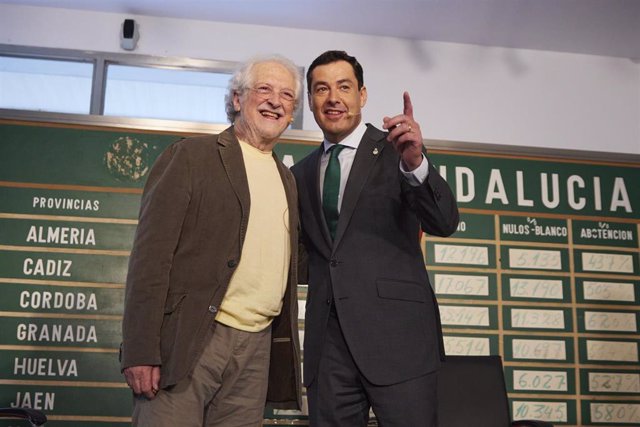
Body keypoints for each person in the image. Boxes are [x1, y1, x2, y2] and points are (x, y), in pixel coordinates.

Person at [120, 55, 303, 426]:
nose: (275, 101)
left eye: (287, 95)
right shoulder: (190, 156)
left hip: (256, 347)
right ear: (237, 98)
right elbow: (150, 258)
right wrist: (140, 349)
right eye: (264, 89)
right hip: (189, 339)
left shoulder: (289, 180)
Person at [291, 50, 459, 426]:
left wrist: (416, 164)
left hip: (400, 340)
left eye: (344, 87)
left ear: (362, 96)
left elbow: (444, 221)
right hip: (329, 347)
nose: (333, 97)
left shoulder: (397, 151)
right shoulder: (300, 174)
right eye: (321, 89)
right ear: (312, 102)